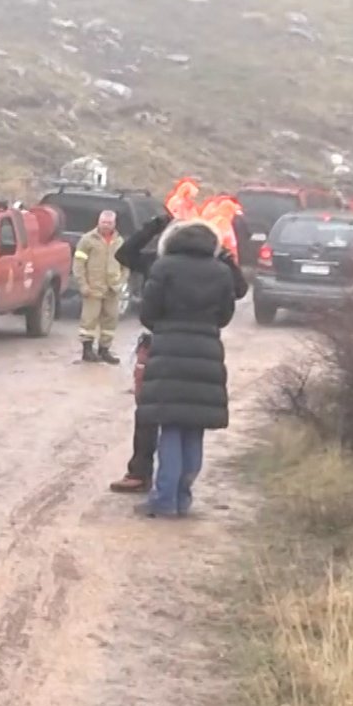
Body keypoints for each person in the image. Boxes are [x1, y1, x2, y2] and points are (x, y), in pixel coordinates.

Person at [134, 219, 239, 518]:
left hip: (168, 349)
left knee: (170, 427)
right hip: (207, 350)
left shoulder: (164, 267)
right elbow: (226, 314)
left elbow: (148, 312)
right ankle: (183, 497)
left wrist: (166, 327)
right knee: (194, 428)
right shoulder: (220, 271)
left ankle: (164, 500)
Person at [108, 212, 171, 494]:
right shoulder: (156, 262)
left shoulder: (205, 265)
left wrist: (152, 228)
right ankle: (143, 473)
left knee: (162, 415)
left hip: (167, 344)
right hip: (158, 344)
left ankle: (159, 477)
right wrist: (152, 227)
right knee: (147, 411)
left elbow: (239, 288)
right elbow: (124, 254)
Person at [73, 210, 127, 364]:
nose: (106, 225)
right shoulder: (87, 240)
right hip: (93, 288)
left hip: (113, 289)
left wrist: (121, 281)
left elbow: (126, 264)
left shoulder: (119, 241)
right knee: (89, 320)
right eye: (103, 222)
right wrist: (83, 284)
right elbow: (78, 264)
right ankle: (87, 351)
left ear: (114, 224)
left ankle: (104, 351)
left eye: (109, 223)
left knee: (110, 321)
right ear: (98, 222)